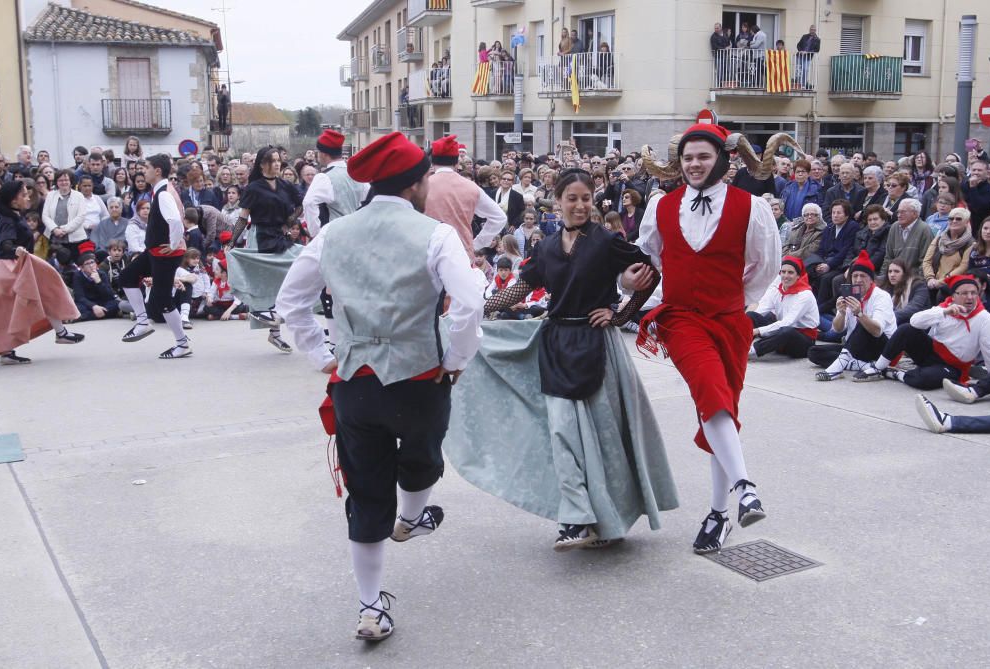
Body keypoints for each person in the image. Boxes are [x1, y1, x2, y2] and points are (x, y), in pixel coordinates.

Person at [275, 131, 483, 643]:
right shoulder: (434, 234)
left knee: (366, 495)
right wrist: (455, 360)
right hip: (417, 378)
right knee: (423, 461)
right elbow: (470, 303)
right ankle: (412, 519)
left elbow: (290, 303)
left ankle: (370, 608)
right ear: (415, 183)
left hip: (355, 384)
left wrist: (324, 356)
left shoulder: (332, 234)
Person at [448, 167, 677, 551]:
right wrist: (480, 310)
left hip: (597, 346)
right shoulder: (547, 247)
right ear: (558, 202)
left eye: (586, 198)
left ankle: (604, 519)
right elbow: (522, 286)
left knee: (601, 440)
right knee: (561, 432)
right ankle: (576, 517)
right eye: (571, 198)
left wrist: (620, 313)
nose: (580, 205)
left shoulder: (607, 242)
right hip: (556, 344)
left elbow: (649, 275)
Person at [637, 123, 787, 553]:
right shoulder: (661, 207)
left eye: (702, 156)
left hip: (729, 320)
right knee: (709, 389)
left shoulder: (751, 206)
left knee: (722, 407)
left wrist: (733, 297)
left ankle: (719, 513)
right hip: (680, 318)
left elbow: (765, 264)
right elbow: (647, 255)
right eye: (687, 158)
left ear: (722, 160)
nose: (694, 164)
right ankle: (746, 488)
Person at [0, 180, 85, 364]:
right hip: (9, 268)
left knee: (33, 299)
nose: (28, 196)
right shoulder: (8, 219)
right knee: (41, 293)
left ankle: (59, 333)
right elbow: (4, 243)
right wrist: (15, 250)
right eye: (24, 194)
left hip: (13, 267)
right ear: (14, 200)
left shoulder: (13, 215)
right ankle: (60, 333)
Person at [854, 275, 990, 387]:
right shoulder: (944, 308)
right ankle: (878, 368)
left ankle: (895, 374)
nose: (970, 297)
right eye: (964, 293)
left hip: (953, 367)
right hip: (931, 352)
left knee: (924, 379)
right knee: (906, 330)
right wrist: (944, 312)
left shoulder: (984, 319)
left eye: (973, 293)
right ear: (954, 296)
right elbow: (915, 321)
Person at [228, 146, 303, 352]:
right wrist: (232, 241)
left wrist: (288, 222)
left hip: (280, 236)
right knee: (268, 284)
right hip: (261, 237)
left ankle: (275, 326)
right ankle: (274, 330)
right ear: (262, 164)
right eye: (272, 160)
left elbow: (300, 205)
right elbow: (243, 217)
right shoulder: (254, 188)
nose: (277, 164)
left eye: (279, 160)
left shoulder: (285, 185)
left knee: (293, 272)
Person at [117, 154, 191, 359]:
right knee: (127, 276)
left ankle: (182, 343)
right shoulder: (162, 191)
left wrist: (174, 243)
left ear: (157, 171)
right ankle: (142, 322)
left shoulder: (164, 194)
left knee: (162, 299)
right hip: (156, 252)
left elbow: (176, 221)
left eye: (147, 167)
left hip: (165, 254)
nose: (143, 171)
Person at [809, 250, 897, 380]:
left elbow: (877, 331)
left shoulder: (881, 296)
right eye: (855, 276)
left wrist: (859, 314)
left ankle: (837, 368)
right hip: (854, 347)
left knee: (863, 323)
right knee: (813, 352)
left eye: (863, 276)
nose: (858, 280)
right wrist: (842, 313)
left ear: (871, 279)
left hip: (881, 348)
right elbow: (838, 329)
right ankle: (867, 367)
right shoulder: (849, 292)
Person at [424, 135, 506, 256]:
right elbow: (499, 217)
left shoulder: (422, 186)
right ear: (457, 163)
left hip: (429, 253)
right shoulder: (471, 187)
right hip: (461, 253)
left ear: (433, 162)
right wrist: (477, 243)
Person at [747, 255, 820, 359]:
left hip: (801, 343)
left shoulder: (805, 295)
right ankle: (739, 347)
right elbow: (761, 311)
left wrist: (758, 330)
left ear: (798, 276)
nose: (786, 276)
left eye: (790, 272)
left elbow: (787, 322)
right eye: (783, 272)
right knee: (751, 315)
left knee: (786, 331)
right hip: (782, 334)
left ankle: (752, 351)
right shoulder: (777, 291)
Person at [302, 129, 369, 238]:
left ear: (323, 154)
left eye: (318, 152)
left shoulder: (324, 177)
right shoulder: (357, 173)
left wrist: (316, 233)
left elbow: (309, 203)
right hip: (359, 235)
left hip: (335, 236)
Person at [921, 207, 973, 296]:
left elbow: (963, 267)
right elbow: (927, 261)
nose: (954, 221)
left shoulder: (970, 243)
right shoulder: (939, 239)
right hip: (932, 281)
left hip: (954, 284)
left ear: (966, 222)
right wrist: (930, 278)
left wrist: (941, 282)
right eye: (951, 218)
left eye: (958, 219)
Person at [881, 199, 933, 277]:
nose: (899, 215)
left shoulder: (924, 230)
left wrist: (916, 282)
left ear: (915, 214)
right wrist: (883, 277)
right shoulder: (894, 227)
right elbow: (888, 257)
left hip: (913, 279)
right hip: (894, 277)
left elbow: (925, 262)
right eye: (898, 212)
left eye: (903, 212)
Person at [72, 243, 121, 321]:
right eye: (87, 264)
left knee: (116, 304)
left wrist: (99, 282)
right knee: (77, 307)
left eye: (92, 262)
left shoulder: (101, 274)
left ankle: (83, 317)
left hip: (102, 302)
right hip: (88, 304)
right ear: (82, 268)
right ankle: (104, 314)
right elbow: (79, 297)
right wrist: (93, 306)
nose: (91, 266)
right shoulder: (78, 276)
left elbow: (109, 295)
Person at [881, 258, 930, 325]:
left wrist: (888, 317)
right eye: (890, 271)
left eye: (896, 271)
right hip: (895, 322)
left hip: (917, 326)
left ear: (905, 273)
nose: (892, 275)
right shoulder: (887, 288)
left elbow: (913, 308)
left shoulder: (918, 286)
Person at [963, 160, 990, 233]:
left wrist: (973, 188)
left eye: (979, 170)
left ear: (986, 172)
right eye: (974, 170)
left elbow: (978, 208)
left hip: (978, 228)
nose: (976, 172)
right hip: (963, 226)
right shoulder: (964, 185)